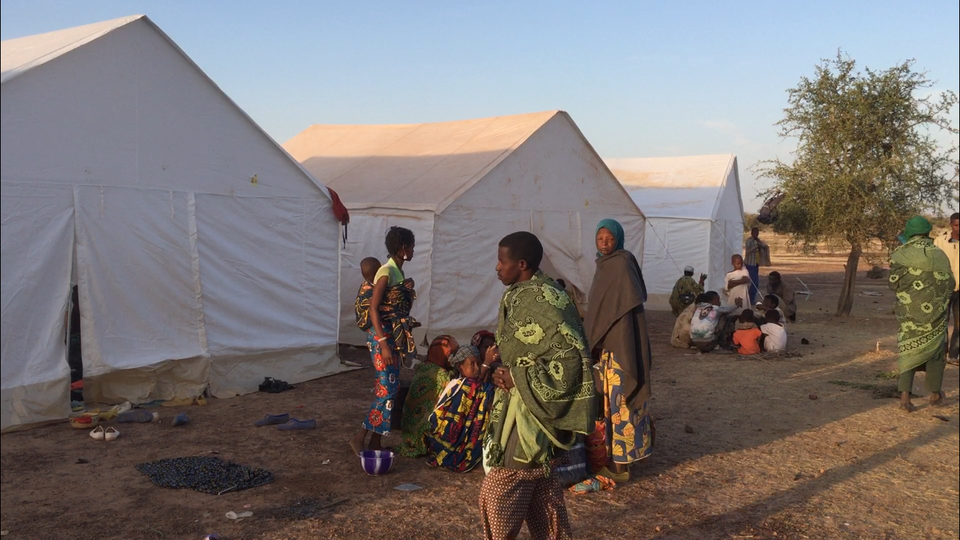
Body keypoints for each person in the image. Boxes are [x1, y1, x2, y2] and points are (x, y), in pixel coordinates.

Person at [479, 231, 594, 540]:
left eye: (501, 262)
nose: (497, 268)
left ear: (521, 263)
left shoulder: (546, 301)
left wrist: (518, 378)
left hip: (533, 413)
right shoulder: (524, 292)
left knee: (504, 486)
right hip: (521, 404)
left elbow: (570, 361)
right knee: (542, 489)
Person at [583, 218, 655, 483]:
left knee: (621, 402)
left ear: (619, 240)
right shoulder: (604, 265)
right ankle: (615, 458)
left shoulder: (622, 263)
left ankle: (620, 466)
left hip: (620, 346)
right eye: (600, 237)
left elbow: (620, 310)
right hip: (608, 350)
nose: (604, 243)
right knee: (610, 404)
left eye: (609, 238)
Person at [350, 227, 417, 454]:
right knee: (387, 391)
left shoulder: (397, 272)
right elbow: (374, 309)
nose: (413, 250)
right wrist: (384, 343)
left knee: (390, 387)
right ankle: (360, 437)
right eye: (412, 246)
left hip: (391, 337)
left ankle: (375, 442)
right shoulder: (387, 272)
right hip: (382, 339)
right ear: (404, 248)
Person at [889, 216, 955, 412]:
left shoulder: (901, 254)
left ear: (909, 231)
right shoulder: (939, 254)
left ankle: (905, 398)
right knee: (935, 353)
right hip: (935, 313)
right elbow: (949, 283)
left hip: (910, 314)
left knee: (908, 351)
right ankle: (935, 394)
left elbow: (893, 282)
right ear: (927, 232)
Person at [427, 345, 496, 473]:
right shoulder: (463, 385)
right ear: (460, 367)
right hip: (448, 437)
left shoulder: (465, 384)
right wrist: (486, 363)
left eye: (479, 363)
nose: (476, 368)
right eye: (472, 364)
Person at [395, 335, 457, 457]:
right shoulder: (442, 375)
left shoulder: (423, 367)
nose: (454, 357)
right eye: (452, 353)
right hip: (424, 432)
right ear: (443, 353)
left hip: (408, 431)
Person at [933, 212, 959, 364]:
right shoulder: (940, 242)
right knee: (942, 322)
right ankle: (941, 354)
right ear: (951, 225)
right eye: (956, 225)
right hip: (943, 289)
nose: (959, 228)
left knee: (959, 325)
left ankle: (954, 356)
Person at [744, 227, 771, 304]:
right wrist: (756, 246)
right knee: (754, 282)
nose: (756, 234)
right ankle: (750, 300)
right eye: (755, 232)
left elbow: (765, 247)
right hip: (750, 263)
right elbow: (749, 250)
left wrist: (761, 245)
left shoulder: (758, 241)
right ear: (752, 233)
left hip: (756, 264)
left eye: (757, 232)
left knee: (753, 282)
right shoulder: (749, 241)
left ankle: (750, 298)